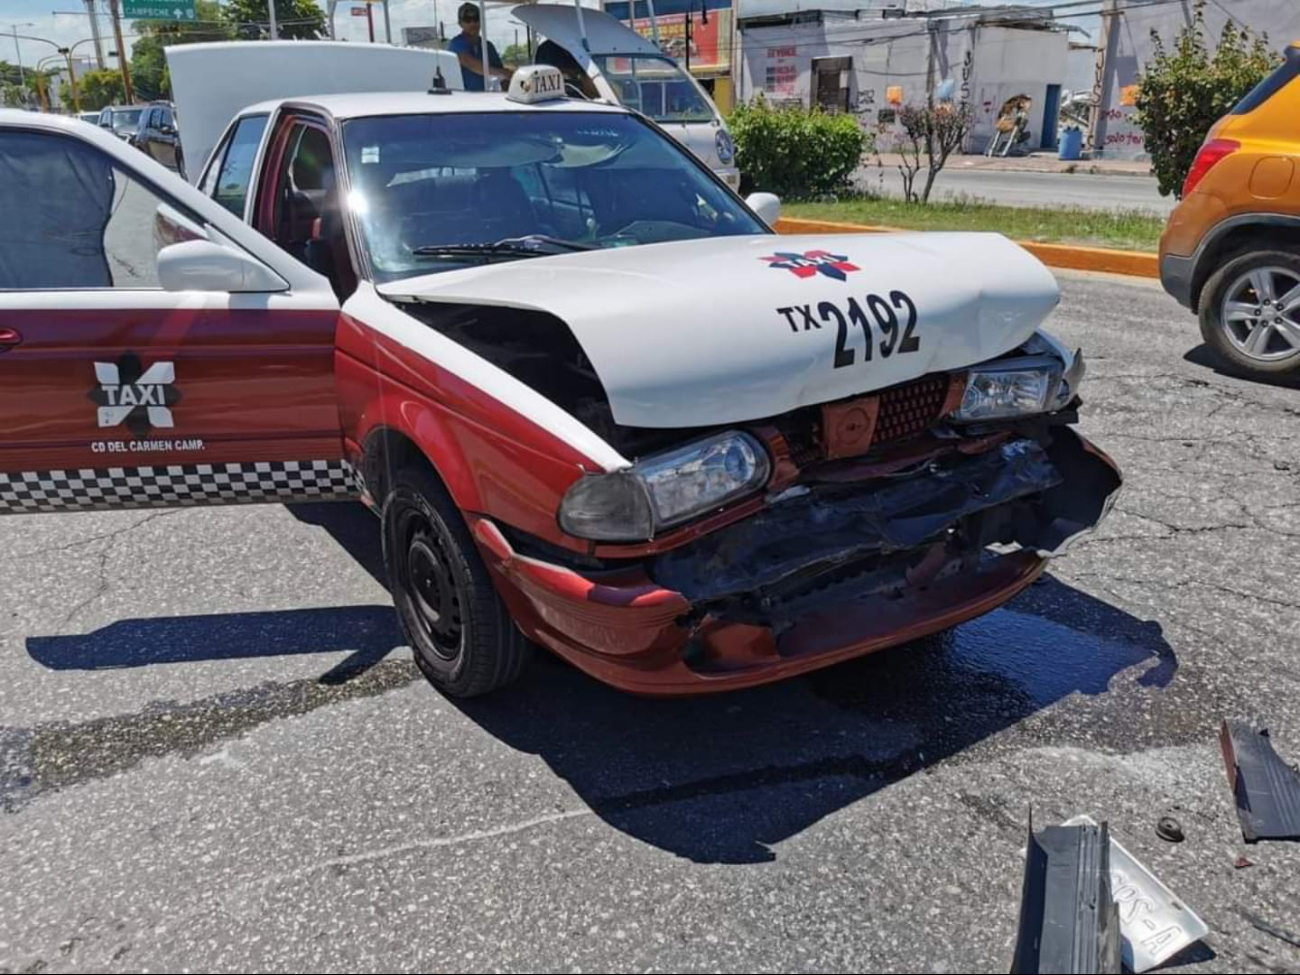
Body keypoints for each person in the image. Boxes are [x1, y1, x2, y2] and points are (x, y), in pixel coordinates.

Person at [447, 3, 511, 92]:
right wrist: (504, 73)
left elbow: (501, 75)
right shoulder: (456, 43)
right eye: (467, 20)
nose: (473, 23)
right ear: (460, 23)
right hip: (462, 98)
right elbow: (469, 62)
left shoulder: (488, 46)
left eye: (476, 19)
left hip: (486, 98)